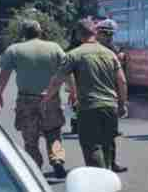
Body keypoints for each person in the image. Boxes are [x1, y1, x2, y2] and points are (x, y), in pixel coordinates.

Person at [45, 19, 128, 170]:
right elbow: (122, 82)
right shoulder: (110, 54)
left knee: (92, 147)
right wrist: (122, 104)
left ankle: (99, 179)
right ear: (95, 33)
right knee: (107, 144)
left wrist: (46, 99)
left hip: (88, 108)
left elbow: (57, 80)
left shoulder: (74, 55)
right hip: (110, 107)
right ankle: (108, 175)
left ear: (78, 34)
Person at [0, 19, 70, 179]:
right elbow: (65, 71)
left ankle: (35, 168)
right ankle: (57, 160)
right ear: (40, 32)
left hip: (26, 100)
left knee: (30, 137)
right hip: (50, 99)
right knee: (54, 132)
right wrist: (74, 91)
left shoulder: (14, 50)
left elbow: (4, 74)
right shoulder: (54, 47)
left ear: (23, 33)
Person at [95, 18, 129, 172]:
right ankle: (99, 166)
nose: (109, 37)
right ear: (98, 34)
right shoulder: (91, 49)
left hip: (111, 96)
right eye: (105, 34)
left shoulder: (115, 50)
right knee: (95, 136)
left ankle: (111, 163)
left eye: (111, 34)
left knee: (110, 134)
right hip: (94, 96)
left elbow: (121, 78)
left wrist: (122, 102)